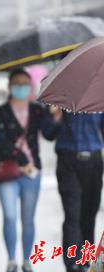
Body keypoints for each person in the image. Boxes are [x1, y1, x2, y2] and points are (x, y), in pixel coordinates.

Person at [0, 68, 61, 272]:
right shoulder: (0, 112)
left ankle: (27, 260)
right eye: (17, 83)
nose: (21, 87)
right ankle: (12, 259)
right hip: (8, 170)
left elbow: (48, 135)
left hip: (32, 174)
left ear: (30, 86)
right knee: (10, 216)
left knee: (28, 218)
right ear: (10, 86)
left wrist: (55, 117)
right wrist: (21, 159)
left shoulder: (38, 110)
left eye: (25, 83)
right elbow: (0, 141)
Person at [53, 110, 104, 272]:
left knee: (89, 215)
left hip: (93, 161)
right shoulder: (61, 102)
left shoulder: (98, 102)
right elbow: (47, 133)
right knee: (72, 215)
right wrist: (55, 117)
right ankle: (72, 263)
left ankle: (86, 260)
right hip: (68, 162)